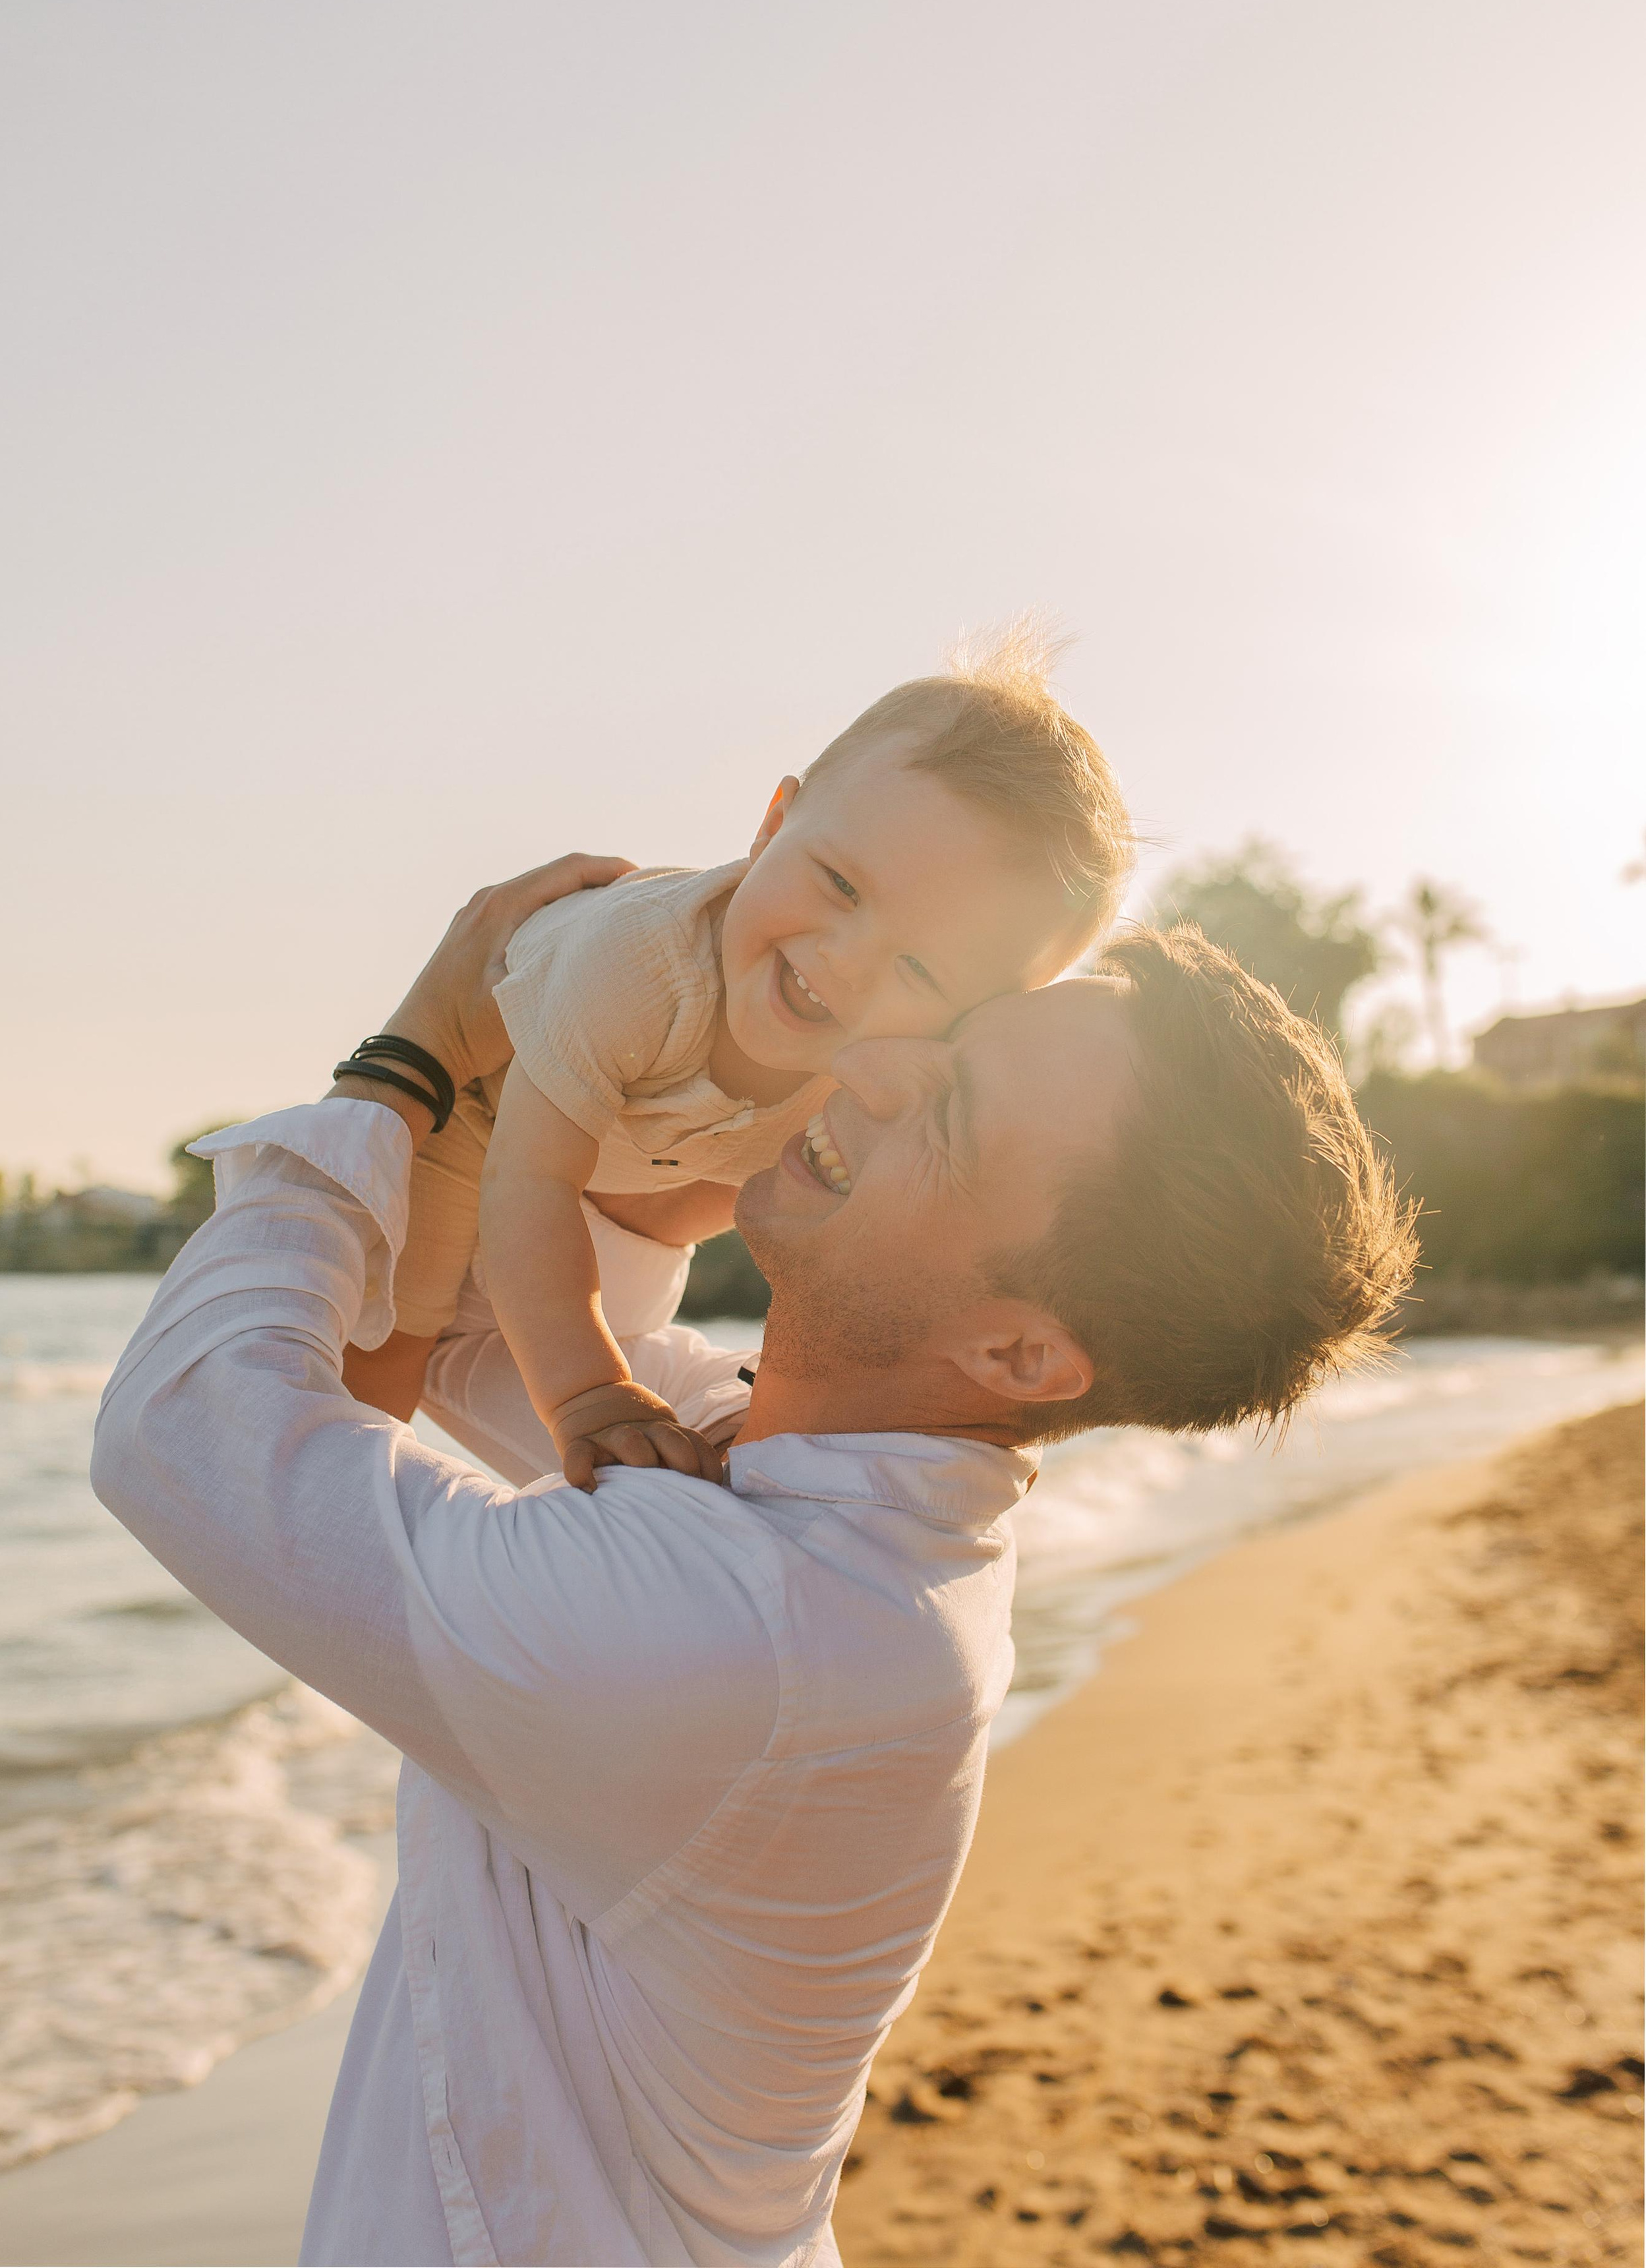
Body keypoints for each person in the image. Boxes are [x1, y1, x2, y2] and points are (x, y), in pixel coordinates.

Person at [91, 854, 1414, 2268]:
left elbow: (187, 1430)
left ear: (1018, 1352)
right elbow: (476, 1327)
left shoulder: (758, 1635)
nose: (878, 1062)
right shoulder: (808, 1502)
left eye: (946, 1108)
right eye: (948, 1033)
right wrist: (642, 1084)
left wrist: (411, 1051)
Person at [374, 631, 1133, 1488]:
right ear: (773, 825)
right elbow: (529, 1182)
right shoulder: (633, 967)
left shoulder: (887, 1065)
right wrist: (590, 1399)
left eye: (919, 969)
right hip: (476, 1115)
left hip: (634, 1178)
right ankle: (341, 1508)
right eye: (841, 885)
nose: (844, 959)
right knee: (394, 1330)